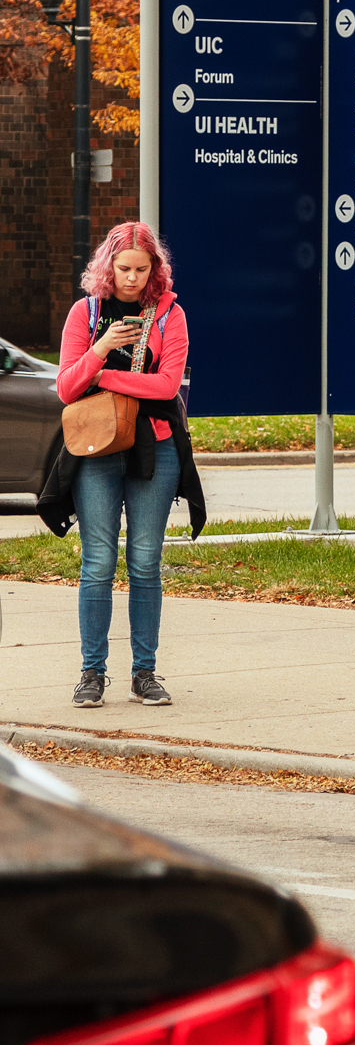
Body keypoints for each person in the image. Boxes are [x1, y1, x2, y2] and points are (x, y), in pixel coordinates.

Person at [52, 222, 199, 708]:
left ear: (155, 268)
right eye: (124, 269)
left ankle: (145, 672)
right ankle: (92, 673)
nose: (132, 279)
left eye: (142, 269)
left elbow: (166, 387)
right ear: (107, 267)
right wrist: (101, 347)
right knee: (97, 562)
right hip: (96, 448)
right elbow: (67, 388)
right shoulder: (86, 312)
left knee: (144, 561)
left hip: (153, 446)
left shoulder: (169, 315)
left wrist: (108, 377)